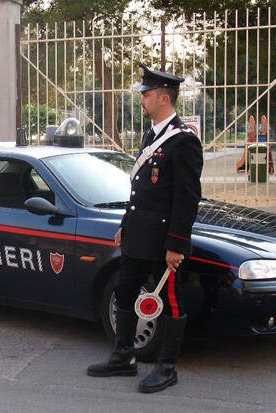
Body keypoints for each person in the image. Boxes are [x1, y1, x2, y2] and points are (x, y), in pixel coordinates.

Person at [87, 64, 203, 393]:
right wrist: (125, 225)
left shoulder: (183, 141)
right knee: (124, 292)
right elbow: (139, 192)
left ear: (164, 98)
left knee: (171, 300)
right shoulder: (151, 135)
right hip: (139, 236)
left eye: (146, 94)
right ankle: (124, 356)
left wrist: (177, 245)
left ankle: (167, 367)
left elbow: (187, 199)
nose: (141, 99)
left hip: (165, 241)